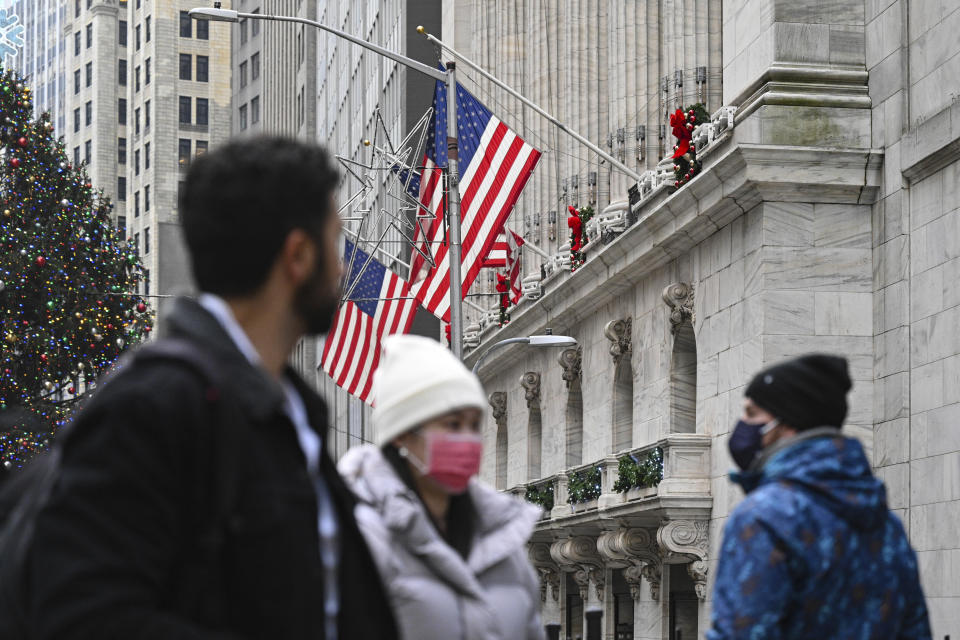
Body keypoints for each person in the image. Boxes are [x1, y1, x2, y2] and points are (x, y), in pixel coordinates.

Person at [23, 137, 397, 639]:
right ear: (299, 255)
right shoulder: (152, 406)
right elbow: (82, 615)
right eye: (336, 243)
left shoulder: (292, 411)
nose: (343, 267)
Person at [708, 354, 931, 640]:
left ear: (786, 421)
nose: (742, 424)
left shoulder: (765, 517)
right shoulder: (885, 524)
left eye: (752, 414)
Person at [337, 334, 545, 640]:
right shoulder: (359, 534)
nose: (468, 440)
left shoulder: (501, 536)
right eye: (452, 425)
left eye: (474, 426)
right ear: (402, 436)